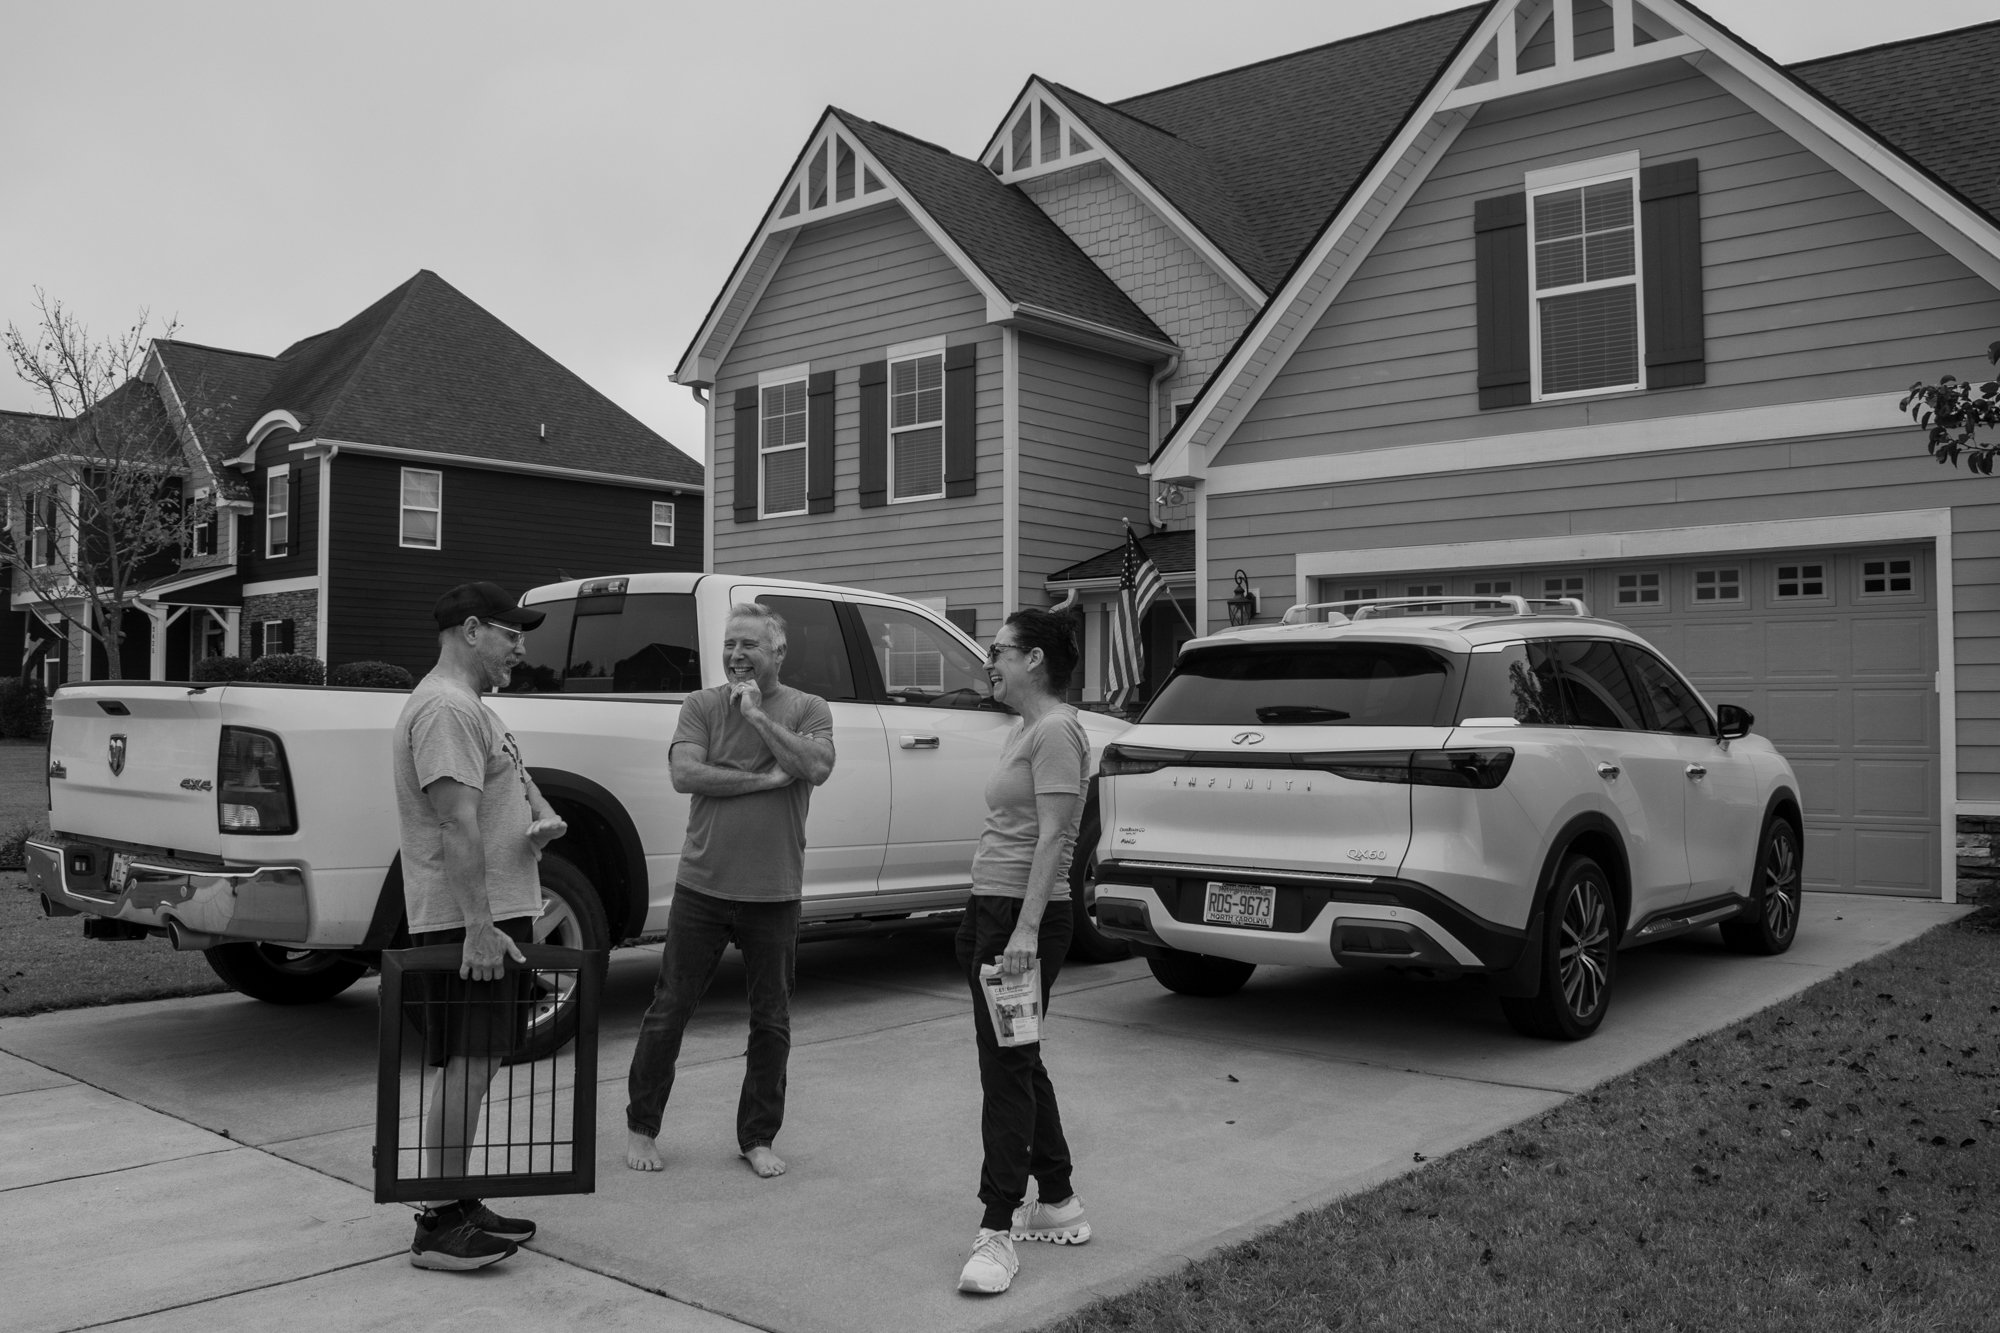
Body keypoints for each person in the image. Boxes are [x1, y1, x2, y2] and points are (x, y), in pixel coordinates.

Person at [393, 581, 568, 1272]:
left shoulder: (473, 709)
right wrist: (477, 926)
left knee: (478, 1060)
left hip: (491, 913)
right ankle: (437, 1222)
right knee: (468, 1063)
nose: (521, 647)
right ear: (471, 629)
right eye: (510, 633)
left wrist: (534, 824)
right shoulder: (444, 707)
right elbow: (454, 820)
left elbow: (498, 797)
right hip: (471, 919)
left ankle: (457, 1199)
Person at [625, 603, 835, 1179]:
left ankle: (757, 1137)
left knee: (772, 1020)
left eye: (749, 646)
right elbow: (684, 774)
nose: (736, 656)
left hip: (774, 891)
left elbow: (816, 767)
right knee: (669, 1011)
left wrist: (762, 720)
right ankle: (642, 1127)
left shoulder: (808, 709)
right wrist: (764, 779)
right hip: (703, 886)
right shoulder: (700, 705)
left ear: (778, 653)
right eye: (730, 645)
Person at [955, 608, 1092, 1297]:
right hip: (994, 909)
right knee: (1020, 1058)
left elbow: (1053, 837)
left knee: (1007, 1070)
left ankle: (998, 1226)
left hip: (1024, 916)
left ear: (1034, 659)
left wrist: (1024, 933)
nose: (991, 661)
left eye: (999, 650)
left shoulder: (1058, 729)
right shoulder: (1024, 728)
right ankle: (1059, 1197)